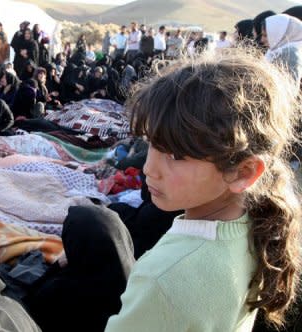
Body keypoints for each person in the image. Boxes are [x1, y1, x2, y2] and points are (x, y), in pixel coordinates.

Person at [105, 50, 301, 330]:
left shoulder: (165, 278)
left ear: (243, 172)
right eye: (151, 144)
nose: (149, 168)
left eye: (175, 155)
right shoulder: (258, 227)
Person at [263, 14, 302, 83]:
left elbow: (289, 89)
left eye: (266, 35)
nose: (262, 39)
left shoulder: (290, 55)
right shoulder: (275, 51)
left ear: (279, 34)